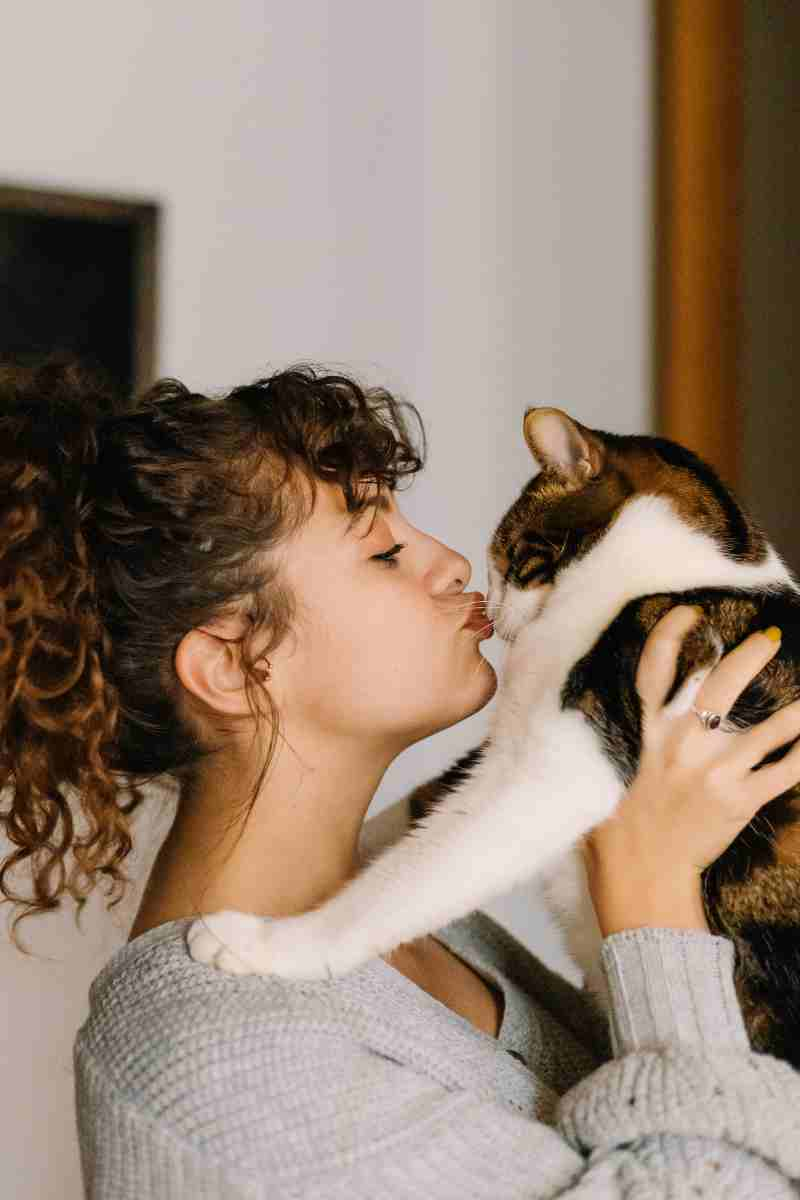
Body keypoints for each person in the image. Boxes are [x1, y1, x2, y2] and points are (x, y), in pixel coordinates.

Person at [4, 356, 800, 1198]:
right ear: (233, 668)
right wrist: (655, 907)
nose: (454, 564)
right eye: (384, 551)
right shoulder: (214, 1068)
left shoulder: (421, 927)